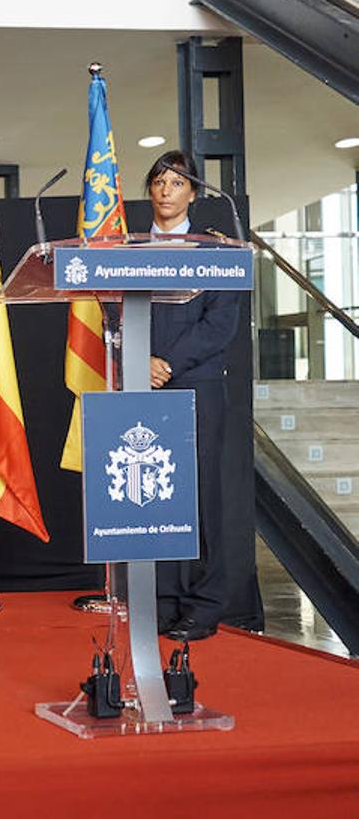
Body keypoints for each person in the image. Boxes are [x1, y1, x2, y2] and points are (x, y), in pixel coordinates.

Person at [145, 149, 241, 642]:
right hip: (142, 384)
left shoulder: (217, 253)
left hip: (197, 386)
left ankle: (203, 603)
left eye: (176, 183)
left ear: (194, 194)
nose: (166, 190)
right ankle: (161, 600)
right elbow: (111, 312)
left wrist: (167, 364)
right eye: (158, 182)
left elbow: (219, 325)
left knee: (201, 495)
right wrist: (142, 360)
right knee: (155, 497)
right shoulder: (128, 252)